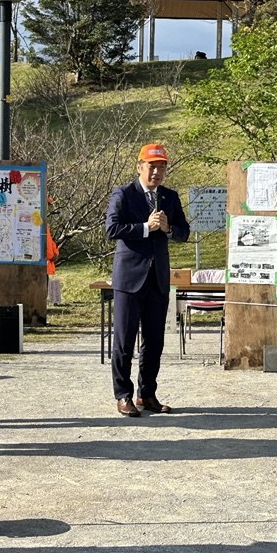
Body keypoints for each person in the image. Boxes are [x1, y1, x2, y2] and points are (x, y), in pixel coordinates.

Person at [105, 143, 190, 417]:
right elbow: (112, 228)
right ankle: (123, 395)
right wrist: (145, 227)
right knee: (124, 341)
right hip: (129, 278)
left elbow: (184, 232)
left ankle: (147, 394)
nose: (156, 171)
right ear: (139, 167)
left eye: (162, 166)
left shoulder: (170, 197)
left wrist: (167, 229)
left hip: (158, 279)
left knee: (154, 341)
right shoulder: (124, 194)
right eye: (151, 166)